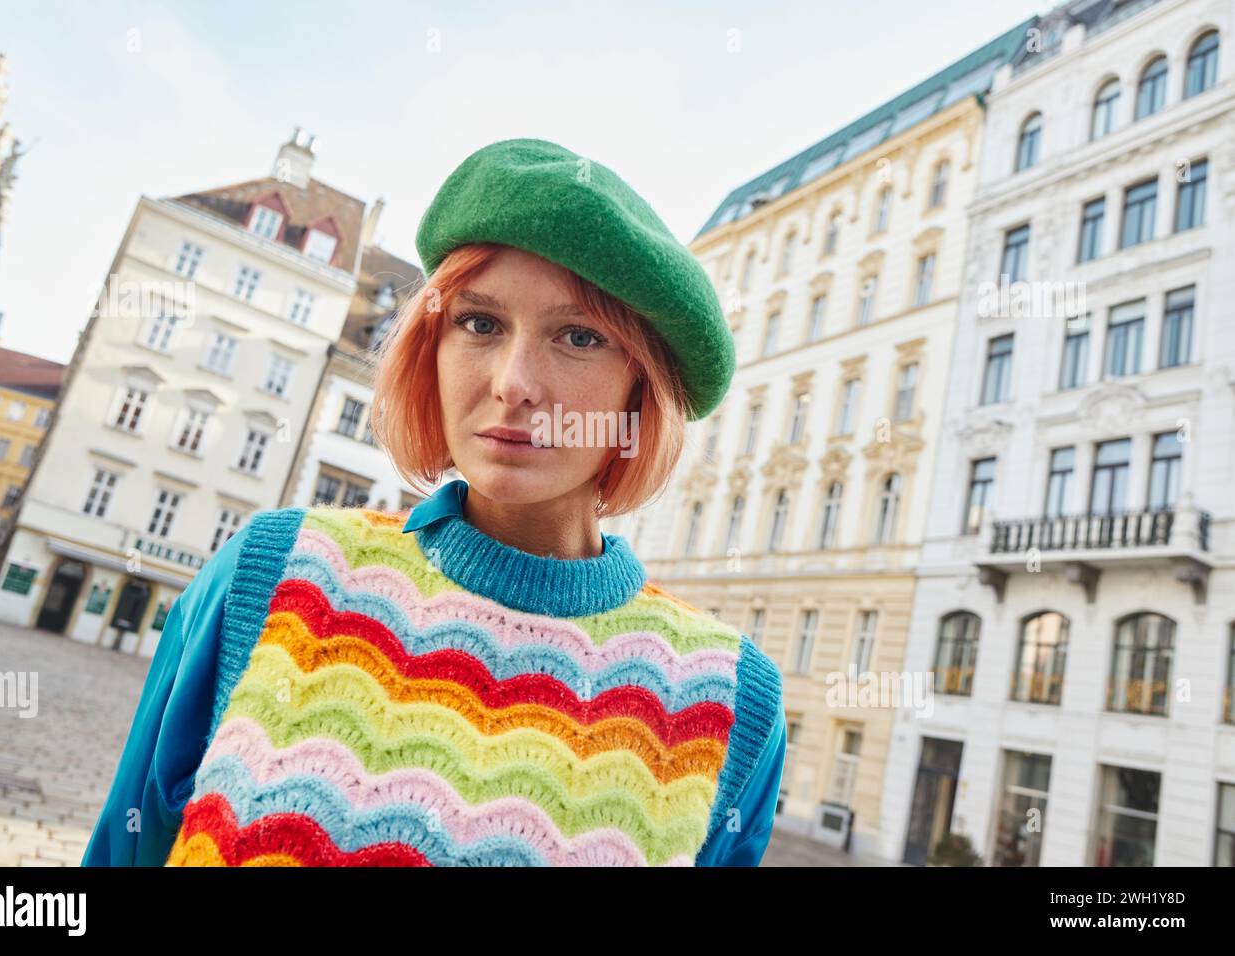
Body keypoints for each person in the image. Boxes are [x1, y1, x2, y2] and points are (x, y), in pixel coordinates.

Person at [83, 137, 786, 867]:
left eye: (578, 336)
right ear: (432, 347)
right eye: (479, 323)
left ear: (642, 392)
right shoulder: (270, 573)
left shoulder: (731, 700)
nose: (514, 382)